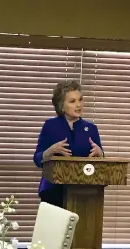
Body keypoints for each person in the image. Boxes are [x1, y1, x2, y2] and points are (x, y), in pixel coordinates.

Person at [33, 79, 104, 207]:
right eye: (72, 101)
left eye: (80, 100)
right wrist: (50, 151)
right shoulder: (50, 126)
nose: (79, 105)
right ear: (61, 105)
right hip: (53, 192)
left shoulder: (91, 129)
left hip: (86, 194)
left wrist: (100, 154)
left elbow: (102, 164)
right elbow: (37, 159)